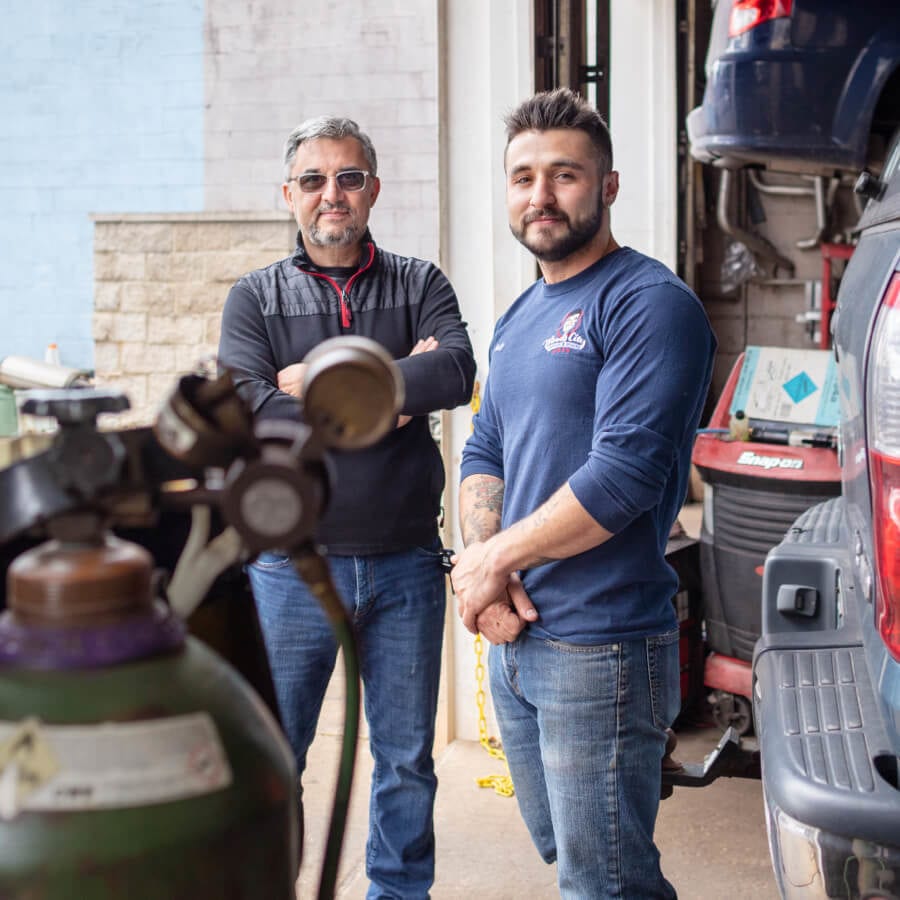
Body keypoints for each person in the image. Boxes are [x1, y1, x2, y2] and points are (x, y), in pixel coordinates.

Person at [450, 88, 716, 899]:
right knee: (580, 863)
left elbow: (624, 475)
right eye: (522, 176)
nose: (540, 195)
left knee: (604, 882)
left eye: (564, 175)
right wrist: (483, 573)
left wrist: (492, 560)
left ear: (607, 187)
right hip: (519, 639)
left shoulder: (647, 304)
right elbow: (485, 446)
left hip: (599, 648)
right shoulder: (521, 313)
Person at [218, 115, 476, 899]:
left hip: (405, 567)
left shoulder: (421, 282)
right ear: (288, 194)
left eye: (349, 177)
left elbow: (457, 372)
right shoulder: (255, 298)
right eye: (314, 180)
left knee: (404, 759)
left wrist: (309, 384)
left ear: (374, 188)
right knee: (278, 754)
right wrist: (390, 389)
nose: (333, 194)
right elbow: (245, 407)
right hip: (292, 567)